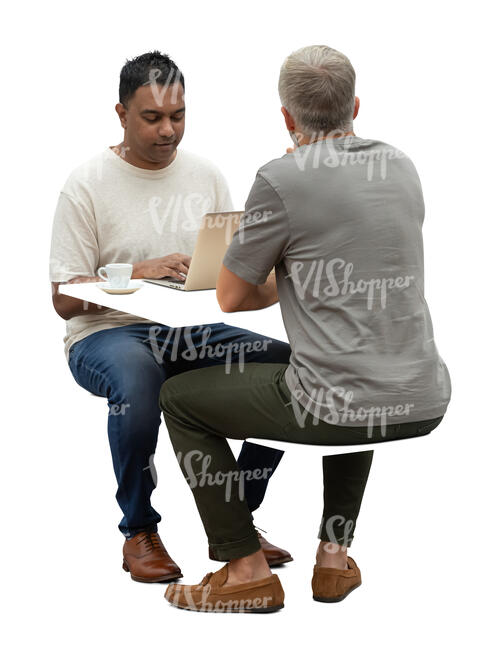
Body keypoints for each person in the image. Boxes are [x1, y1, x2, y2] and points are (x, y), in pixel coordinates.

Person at [160, 44, 452, 612]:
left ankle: (244, 568)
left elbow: (231, 296)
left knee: (180, 399)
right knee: (352, 373)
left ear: (287, 118)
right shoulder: (401, 164)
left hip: (333, 403)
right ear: (356, 106)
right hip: (424, 396)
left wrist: (277, 274)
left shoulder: (281, 178)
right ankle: (334, 560)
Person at [49, 51, 294, 584]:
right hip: (106, 334)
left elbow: (231, 267)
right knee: (139, 383)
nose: (168, 131)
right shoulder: (86, 183)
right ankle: (139, 530)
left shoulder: (205, 174)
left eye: (178, 116)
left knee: (289, 368)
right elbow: (64, 299)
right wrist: (137, 272)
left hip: (187, 330)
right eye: (152, 118)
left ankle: (237, 521)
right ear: (121, 114)